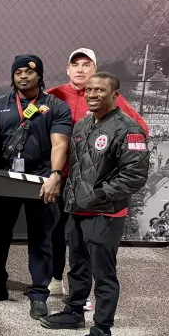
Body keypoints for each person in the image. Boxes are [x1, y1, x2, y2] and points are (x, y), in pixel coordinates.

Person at [40, 72, 150, 336]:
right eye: (89, 89)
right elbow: (76, 168)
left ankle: (102, 333)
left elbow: (135, 177)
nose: (92, 94)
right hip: (77, 210)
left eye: (100, 90)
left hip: (106, 214)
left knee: (104, 276)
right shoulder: (83, 124)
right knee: (77, 266)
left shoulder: (129, 129)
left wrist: (96, 195)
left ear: (115, 94)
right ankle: (74, 312)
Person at [0, 55, 72, 322]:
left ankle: (39, 294)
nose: (23, 76)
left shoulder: (55, 106)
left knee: (41, 237)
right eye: (18, 71)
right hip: (5, 178)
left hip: (41, 180)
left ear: (39, 76)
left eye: (29, 71)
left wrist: (55, 174)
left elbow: (60, 143)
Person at [45, 48, 148, 298]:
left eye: (86, 64)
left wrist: (106, 172)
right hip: (61, 179)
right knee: (59, 233)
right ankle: (57, 279)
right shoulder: (54, 95)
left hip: (94, 185)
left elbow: (139, 129)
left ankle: (91, 300)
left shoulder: (112, 100)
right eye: (75, 64)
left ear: (95, 71)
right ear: (68, 69)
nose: (80, 69)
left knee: (93, 244)